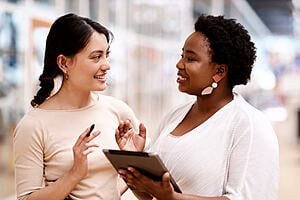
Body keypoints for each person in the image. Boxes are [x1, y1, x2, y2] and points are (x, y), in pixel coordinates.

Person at [116, 14, 279, 200]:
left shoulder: (249, 125)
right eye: (182, 56)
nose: (179, 65)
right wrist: (136, 163)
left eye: (190, 59)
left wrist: (172, 197)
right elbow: (150, 196)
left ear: (219, 71)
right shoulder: (175, 116)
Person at [13, 13, 144, 200]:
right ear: (64, 63)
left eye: (107, 55)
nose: (106, 65)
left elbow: (132, 190)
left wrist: (132, 162)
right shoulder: (33, 125)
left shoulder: (119, 111)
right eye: (96, 57)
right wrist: (74, 174)